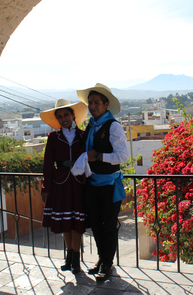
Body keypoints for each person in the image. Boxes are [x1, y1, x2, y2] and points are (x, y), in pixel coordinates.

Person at [76, 83, 129, 281]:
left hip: (109, 184)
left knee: (108, 225)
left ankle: (107, 262)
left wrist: (98, 156)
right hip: (92, 182)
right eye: (90, 103)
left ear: (106, 104)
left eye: (96, 102)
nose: (92, 106)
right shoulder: (92, 125)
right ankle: (102, 259)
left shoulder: (113, 126)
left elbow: (123, 156)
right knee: (97, 224)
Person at [40, 99, 88, 274]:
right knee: (65, 221)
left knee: (77, 222)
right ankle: (69, 257)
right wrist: (45, 187)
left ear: (73, 115)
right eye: (59, 116)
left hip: (78, 183)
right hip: (59, 183)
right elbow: (47, 164)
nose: (63, 118)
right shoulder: (53, 138)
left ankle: (76, 258)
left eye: (66, 114)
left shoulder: (83, 136)